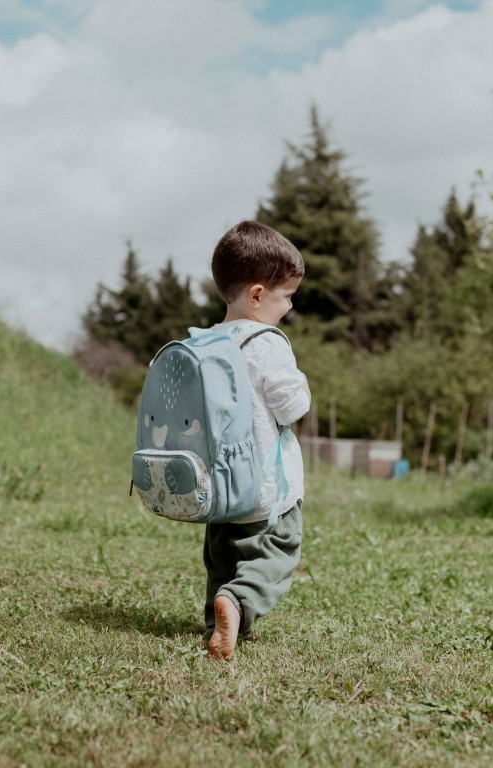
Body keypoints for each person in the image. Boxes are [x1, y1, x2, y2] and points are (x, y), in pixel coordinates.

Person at [205, 220, 311, 661]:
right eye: (286, 296)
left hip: (219, 486)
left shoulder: (206, 341)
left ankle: (217, 622)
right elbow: (291, 407)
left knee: (222, 557)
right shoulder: (266, 341)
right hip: (266, 486)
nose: (289, 306)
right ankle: (238, 602)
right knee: (278, 550)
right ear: (256, 295)